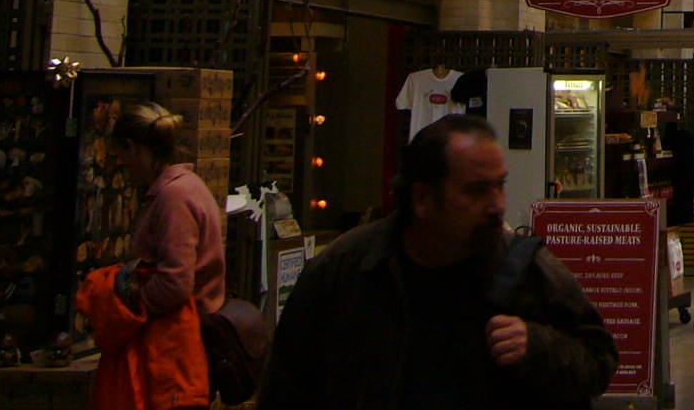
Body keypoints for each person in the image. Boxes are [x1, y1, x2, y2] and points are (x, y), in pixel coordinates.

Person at [257, 116, 616, 409]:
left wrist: (538, 346)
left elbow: (598, 360)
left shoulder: (527, 269)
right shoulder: (348, 269)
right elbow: (286, 387)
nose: (498, 204)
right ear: (422, 198)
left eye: (500, 185)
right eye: (476, 190)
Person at [80, 102, 227, 409]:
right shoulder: (184, 189)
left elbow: (175, 282)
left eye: (121, 157)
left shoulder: (174, 198)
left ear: (134, 148)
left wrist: (125, 306)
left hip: (172, 347)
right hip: (176, 342)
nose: (122, 166)